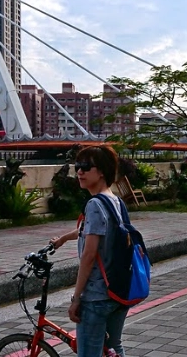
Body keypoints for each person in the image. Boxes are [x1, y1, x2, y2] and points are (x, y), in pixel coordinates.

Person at [50, 145, 129, 357]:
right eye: (77, 167)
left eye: (85, 167)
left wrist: (76, 298)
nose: (79, 172)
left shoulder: (95, 204)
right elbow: (91, 231)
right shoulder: (115, 201)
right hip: (118, 290)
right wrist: (64, 239)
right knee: (113, 348)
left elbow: (89, 255)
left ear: (101, 171)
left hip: (96, 296)